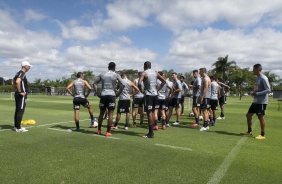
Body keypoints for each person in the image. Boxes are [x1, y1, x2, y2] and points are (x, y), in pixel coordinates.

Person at [93, 62, 125, 137]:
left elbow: (94, 83)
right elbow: (123, 84)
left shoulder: (102, 74)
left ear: (108, 67)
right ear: (114, 68)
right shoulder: (116, 75)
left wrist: (97, 93)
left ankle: (99, 130)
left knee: (101, 113)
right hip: (111, 95)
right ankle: (107, 132)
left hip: (103, 95)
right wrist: (118, 93)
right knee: (110, 114)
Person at [241, 64, 270, 139]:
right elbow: (257, 89)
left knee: (261, 117)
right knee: (248, 115)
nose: (253, 71)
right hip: (255, 101)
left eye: (254, 69)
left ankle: (262, 135)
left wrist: (256, 93)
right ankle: (249, 131)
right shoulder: (257, 78)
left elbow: (268, 90)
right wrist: (252, 92)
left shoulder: (263, 78)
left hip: (261, 102)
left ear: (258, 69)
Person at [138, 61, 166, 138]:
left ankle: (151, 133)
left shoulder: (144, 73)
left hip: (148, 95)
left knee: (149, 113)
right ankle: (153, 129)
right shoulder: (156, 73)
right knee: (153, 112)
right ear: (150, 66)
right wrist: (158, 89)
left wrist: (141, 90)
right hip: (155, 95)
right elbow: (164, 81)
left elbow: (139, 83)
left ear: (144, 66)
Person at [12, 61, 32, 132]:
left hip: (18, 94)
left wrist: (15, 88)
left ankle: (16, 126)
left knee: (17, 110)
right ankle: (18, 128)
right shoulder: (22, 73)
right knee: (20, 110)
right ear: (25, 66)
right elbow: (17, 81)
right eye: (28, 66)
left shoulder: (18, 73)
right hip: (21, 95)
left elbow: (13, 81)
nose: (29, 67)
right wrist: (20, 91)